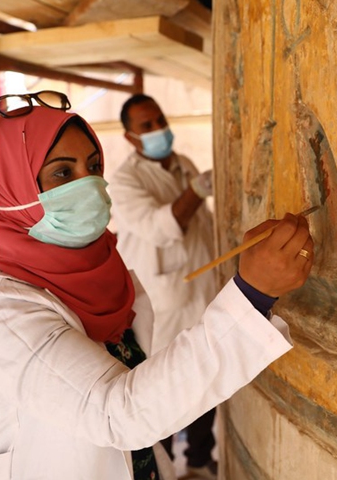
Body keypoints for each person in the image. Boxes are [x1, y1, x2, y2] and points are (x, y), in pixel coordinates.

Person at [0, 91, 315, 480]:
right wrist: (252, 295)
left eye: (93, 166)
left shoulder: (100, 274)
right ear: (11, 188)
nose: (89, 184)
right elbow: (118, 414)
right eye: (63, 173)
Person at [109, 94, 219, 478]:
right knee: (166, 387)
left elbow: (204, 225)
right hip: (164, 302)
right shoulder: (125, 180)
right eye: (147, 126)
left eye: (160, 121)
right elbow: (161, 227)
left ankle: (200, 458)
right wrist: (196, 191)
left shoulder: (183, 164)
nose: (159, 129)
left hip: (202, 289)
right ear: (130, 137)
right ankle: (165, 467)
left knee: (207, 377)